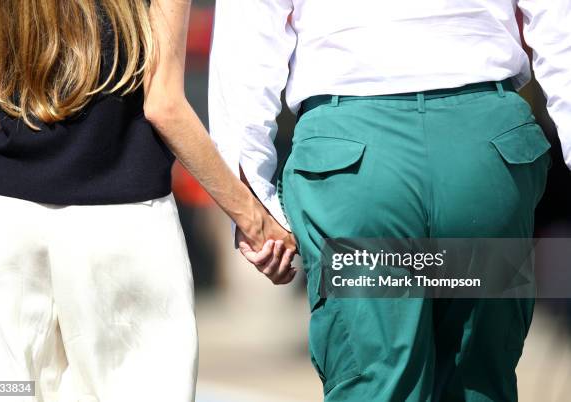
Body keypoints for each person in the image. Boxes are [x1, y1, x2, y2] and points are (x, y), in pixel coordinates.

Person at [209, 1, 569, 401]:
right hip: (483, 161)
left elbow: (247, 38)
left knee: (375, 381)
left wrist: (251, 202)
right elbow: (559, 22)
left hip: (355, 166)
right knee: (477, 379)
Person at [0, 0, 296, 400]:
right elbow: (164, 106)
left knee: (2, 391)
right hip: (126, 228)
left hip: (6, 233)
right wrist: (255, 220)